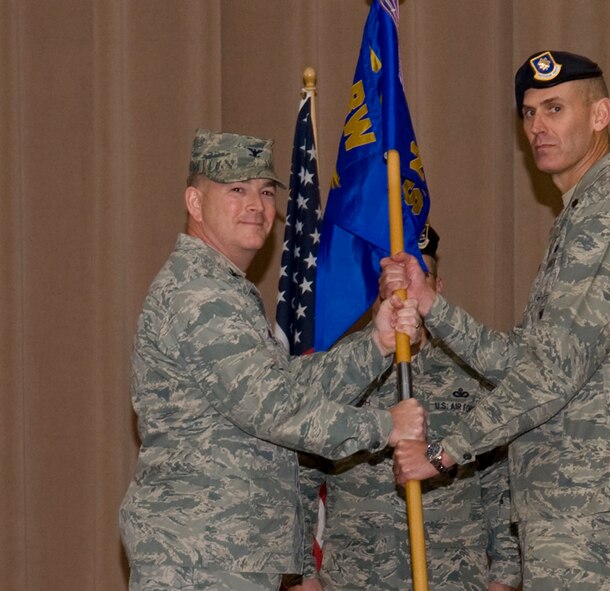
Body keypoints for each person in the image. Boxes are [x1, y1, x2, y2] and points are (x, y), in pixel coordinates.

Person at [385, 50, 610, 589]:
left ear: (600, 115)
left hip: (588, 495)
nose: (537, 126)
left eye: (555, 108)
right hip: (567, 495)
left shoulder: (606, 215)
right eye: (528, 113)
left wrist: (446, 453)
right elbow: (523, 362)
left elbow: (553, 372)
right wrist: (429, 304)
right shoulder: (579, 217)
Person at [119, 128, 426, 591]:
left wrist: (376, 346)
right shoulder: (199, 293)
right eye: (236, 190)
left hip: (224, 551)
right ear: (195, 203)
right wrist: (385, 427)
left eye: (265, 192)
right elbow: (273, 409)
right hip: (200, 556)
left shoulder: (224, 288)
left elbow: (283, 386)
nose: (257, 206)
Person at [285, 226, 521, 591]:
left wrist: (504, 577)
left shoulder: (471, 369)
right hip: (357, 577)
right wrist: (304, 574)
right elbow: (303, 475)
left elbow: (498, 478)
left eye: (415, 280)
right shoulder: (340, 370)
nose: (403, 291)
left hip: (454, 576)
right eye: (393, 280)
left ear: (435, 288)